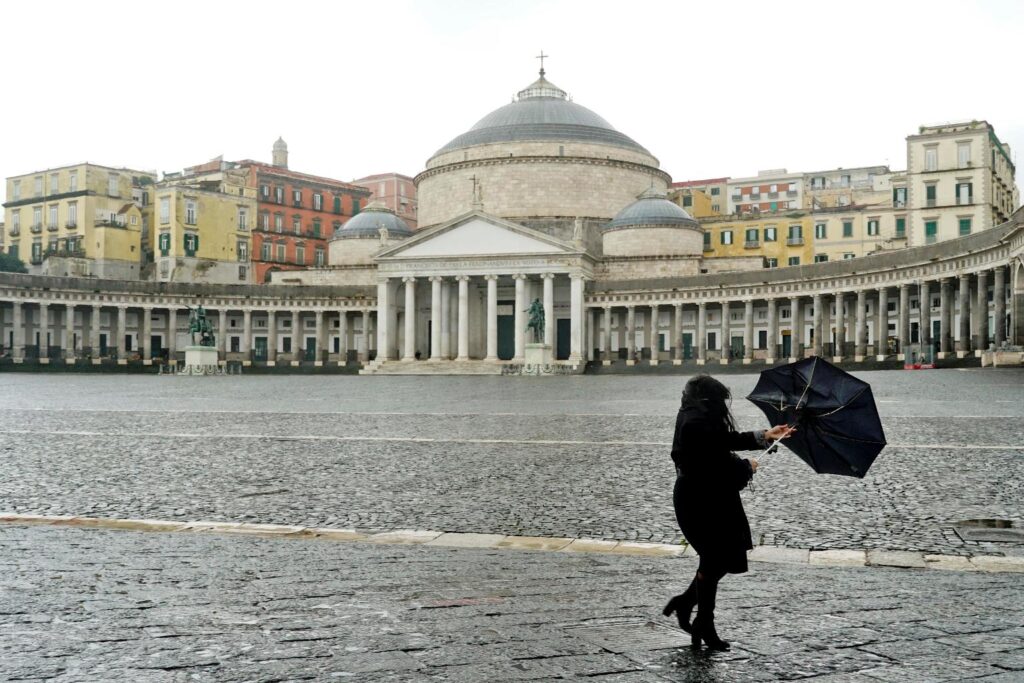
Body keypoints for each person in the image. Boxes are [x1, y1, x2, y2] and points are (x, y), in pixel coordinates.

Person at [663, 374, 794, 651]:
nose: (724, 407)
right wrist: (747, 467)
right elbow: (713, 468)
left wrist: (765, 435)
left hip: (709, 497)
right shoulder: (695, 424)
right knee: (715, 559)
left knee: (719, 560)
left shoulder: (695, 415)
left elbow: (723, 440)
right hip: (700, 501)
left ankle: (688, 605)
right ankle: (702, 621)